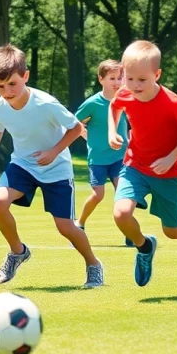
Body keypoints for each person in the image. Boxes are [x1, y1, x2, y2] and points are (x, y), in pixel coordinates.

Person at [0, 45, 104, 289]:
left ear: (25, 76)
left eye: (12, 84)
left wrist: (53, 152)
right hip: (23, 165)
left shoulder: (46, 103)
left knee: (65, 227)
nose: (6, 91)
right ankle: (18, 252)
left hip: (56, 168)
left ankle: (93, 264)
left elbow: (77, 128)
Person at [108, 40, 177, 287]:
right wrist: (112, 131)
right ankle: (144, 247)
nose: (134, 86)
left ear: (157, 75)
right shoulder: (124, 92)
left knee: (172, 229)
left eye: (142, 80)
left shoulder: (171, 103)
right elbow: (115, 107)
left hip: (168, 174)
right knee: (121, 213)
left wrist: (171, 158)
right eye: (129, 78)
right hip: (135, 166)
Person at [73, 59, 130, 246]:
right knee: (98, 195)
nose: (117, 82)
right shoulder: (92, 103)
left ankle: (130, 231)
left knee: (123, 194)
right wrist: (87, 136)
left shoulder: (126, 99)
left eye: (120, 77)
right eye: (112, 78)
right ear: (101, 79)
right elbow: (74, 123)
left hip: (119, 157)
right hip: (97, 159)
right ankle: (79, 224)